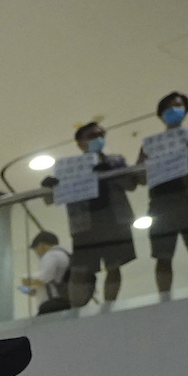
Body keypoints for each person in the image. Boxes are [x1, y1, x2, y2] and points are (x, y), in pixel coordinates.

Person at [45, 121, 137, 309]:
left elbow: (131, 184)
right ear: (80, 143)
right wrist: (50, 186)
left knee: (114, 265)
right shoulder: (69, 168)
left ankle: (109, 307)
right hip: (84, 224)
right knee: (80, 269)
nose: (98, 139)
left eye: (101, 135)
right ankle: (76, 309)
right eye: (92, 136)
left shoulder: (116, 161)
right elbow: (50, 199)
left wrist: (111, 172)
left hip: (115, 219)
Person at [140, 90, 188, 295]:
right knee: (162, 255)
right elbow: (140, 178)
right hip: (161, 200)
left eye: (178, 106)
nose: (174, 110)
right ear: (161, 114)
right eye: (169, 107)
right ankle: (165, 298)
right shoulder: (151, 144)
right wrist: (143, 162)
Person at [22, 230, 71, 315]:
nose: (37, 252)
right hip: (68, 300)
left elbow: (44, 279)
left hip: (53, 304)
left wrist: (27, 282)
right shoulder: (66, 254)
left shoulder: (50, 255)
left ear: (42, 246)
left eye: (36, 249)